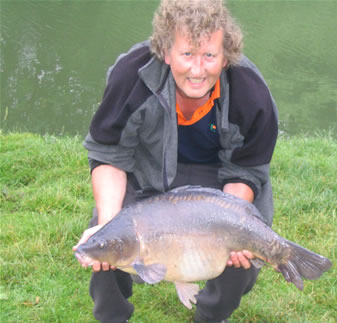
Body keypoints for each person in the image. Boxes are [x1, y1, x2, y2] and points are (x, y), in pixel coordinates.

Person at [74, 0, 278, 322]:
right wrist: (108, 223)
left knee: (241, 253)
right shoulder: (131, 76)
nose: (198, 70)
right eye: (187, 55)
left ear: (225, 56)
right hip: (145, 174)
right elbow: (109, 155)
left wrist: (233, 222)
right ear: (166, 52)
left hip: (218, 182)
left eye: (209, 55)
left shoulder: (251, 95)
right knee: (106, 241)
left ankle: (210, 316)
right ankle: (112, 317)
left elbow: (244, 171)